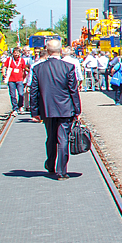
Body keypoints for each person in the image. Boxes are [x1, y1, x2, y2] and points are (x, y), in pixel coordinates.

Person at [30, 37, 81, 180]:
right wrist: (77, 110)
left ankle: (50, 164)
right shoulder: (68, 67)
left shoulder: (38, 68)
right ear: (60, 50)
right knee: (63, 139)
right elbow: (73, 91)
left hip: (47, 109)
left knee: (51, 137)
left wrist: (35, 112)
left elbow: (34, 91)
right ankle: (62, 171)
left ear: (46, 51)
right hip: (66, 108)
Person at [2, 47, 29, 114]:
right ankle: (15, 108)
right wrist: (3, 73)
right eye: (15, 53)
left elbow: (24, 69)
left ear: (20, 53)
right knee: (13, 95)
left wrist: (25, 78)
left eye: (18, 53)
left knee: (21, 93)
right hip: (11, 80)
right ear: (13, 53)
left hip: (19, 79)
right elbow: (4, 66)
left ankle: (20, 106)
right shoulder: (9, 60)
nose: (16, 55)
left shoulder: (21, 60)